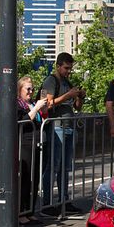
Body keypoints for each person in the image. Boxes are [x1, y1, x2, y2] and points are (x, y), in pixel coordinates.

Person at [40, 52, 84, 212]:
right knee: (53, 165)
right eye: (66, 68)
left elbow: (77, 107)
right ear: (58, 66)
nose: (68, 71)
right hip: (56, 127)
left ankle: (64, 200)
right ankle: (47, 202)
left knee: (65, 166)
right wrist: (68, 95)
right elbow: (47, 104)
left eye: (70, 68)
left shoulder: (67, 81)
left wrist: (79, 97)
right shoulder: (51, 80)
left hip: (68, 126)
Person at [16, 76, 47, 225]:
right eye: (27, 89)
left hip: (37, 143)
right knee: (25, 177)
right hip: (25, 144)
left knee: (35, 178)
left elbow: (42, 119)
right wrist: (35, 108)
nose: (30, 91)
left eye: (32, 89)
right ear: (20, 90)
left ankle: (30, 210)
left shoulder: (33, 103)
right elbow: (23, 120)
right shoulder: (18, 104)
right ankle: (21, 212)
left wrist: (42, 108)